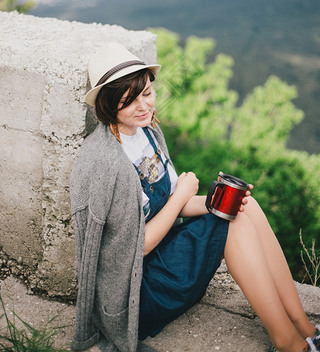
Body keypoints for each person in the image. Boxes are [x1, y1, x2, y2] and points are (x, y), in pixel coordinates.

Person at [70, 42, 319, 352]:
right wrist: (182, 195)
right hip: (139, 290)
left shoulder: (147, 131)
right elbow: (140, 244)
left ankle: (304, 326)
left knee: (244, 205)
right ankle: (291, 344)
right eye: (129, 101)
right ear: (108, 106)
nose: (144, 106)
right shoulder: (106, 161)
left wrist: (215, 198)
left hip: (165, 256)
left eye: (147, 93)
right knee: (235, 226)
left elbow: (177, 203)